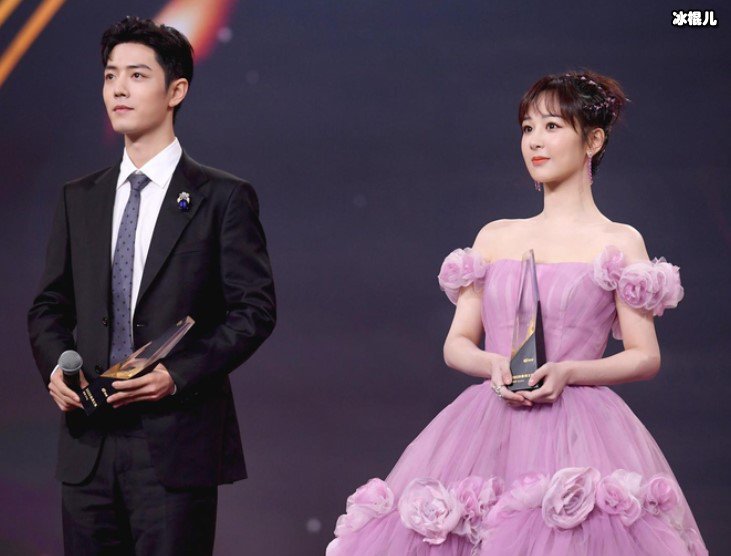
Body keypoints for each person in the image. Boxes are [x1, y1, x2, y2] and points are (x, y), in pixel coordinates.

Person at [327, 70, 707, 555]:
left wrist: (568, 371)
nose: (535, 142)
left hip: (579, 431)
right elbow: (456, 344)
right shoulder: (496, 236)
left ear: (593, 141)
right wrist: (494, 364)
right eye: (528, 128)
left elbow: (644, 356)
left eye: (552, 126)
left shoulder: (618, 241)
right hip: (488, 426)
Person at [27, 16, 276, 555]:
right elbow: (49, 305)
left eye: (137, 75)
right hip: (88, 441)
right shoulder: (80, 198)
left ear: (176, 90)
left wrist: (176, 375)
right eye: (110, 75)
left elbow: (253, 311)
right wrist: (56, 367)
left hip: (175, 443)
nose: (118, 88)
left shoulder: (221, 197)